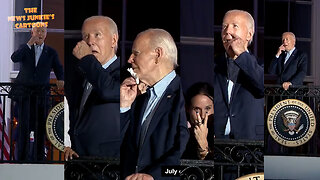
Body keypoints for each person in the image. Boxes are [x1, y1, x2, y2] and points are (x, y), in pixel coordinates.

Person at [120, 28, 189, 179]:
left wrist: (154, 176)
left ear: (158, 55)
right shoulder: (138, 97)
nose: (129, 59)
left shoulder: (184, 95)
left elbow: (186, 159)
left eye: (136, 53)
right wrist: (124, 105)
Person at [64, 16, 120, 160]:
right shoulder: (80, 76)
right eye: (85, 36)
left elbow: (108, 91)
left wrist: (87, 59)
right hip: (81, 164)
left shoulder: (127, 73)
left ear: (114, 40)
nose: (90, 42)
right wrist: (69, 145)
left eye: (97, 35)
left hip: (110, 165)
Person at [9, 22, 64, 161]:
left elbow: (59, 68)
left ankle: (39, 158)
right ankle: (21, 158)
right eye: (37, 31)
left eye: (43, 31)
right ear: (32, 33)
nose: (40, 34)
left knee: (40, 128)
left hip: (41, 96)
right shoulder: (24, 48)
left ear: (46, 34)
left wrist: (61, 79)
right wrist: (29, 44)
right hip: (24, 95)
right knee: (23, 127)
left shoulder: (51, 52)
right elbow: (14, 58)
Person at [213, 10, 264, 140]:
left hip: (249, 143)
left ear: (249, 34)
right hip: (218, 142)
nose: (227, 31)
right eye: (224, 26)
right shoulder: (213, 65)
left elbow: (261, 88)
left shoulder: (260, 65)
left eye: (235, 26)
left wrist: (241, 55)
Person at [182, 82, 214, 160]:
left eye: (207, 109)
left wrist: (204, 147)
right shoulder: (181, 136)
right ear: (187, 109)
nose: (202, 116)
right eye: (197, 109)